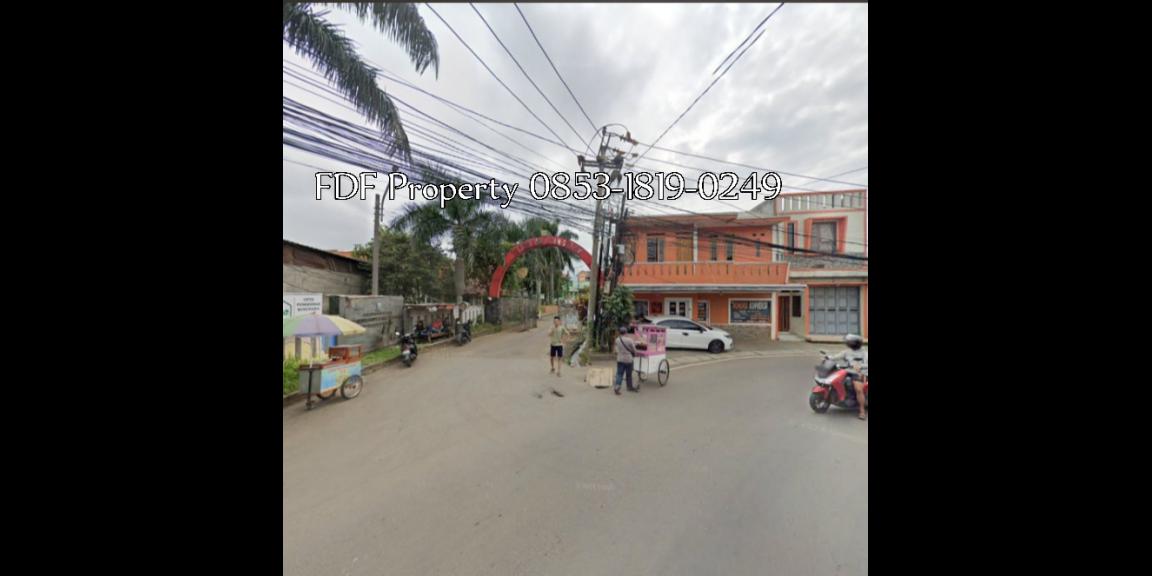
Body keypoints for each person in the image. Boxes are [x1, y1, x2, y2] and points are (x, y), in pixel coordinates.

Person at [831, 334, 868, 420]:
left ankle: (862, 411)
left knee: (858, 389)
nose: (848, 344)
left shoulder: (864, 353)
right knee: (835, 379)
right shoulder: (847, 352)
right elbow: (836, 357)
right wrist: (828, 357)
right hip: (847, 371)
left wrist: (860, 366)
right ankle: (841, 398)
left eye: (849, 342)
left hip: (860, 373)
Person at [614, 325, 639, 395]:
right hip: (628, 360)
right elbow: (634, 350)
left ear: (620, 333)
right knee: (629, 375)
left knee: (619, 374)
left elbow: (616, 350)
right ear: (626, 332)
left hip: (620, 359)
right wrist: (635, 354)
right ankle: (629, 387)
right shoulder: (630, 340)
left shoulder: (617, 340)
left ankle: (617, 387)